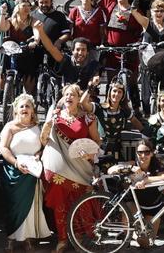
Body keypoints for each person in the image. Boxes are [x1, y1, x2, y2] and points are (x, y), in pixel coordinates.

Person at [40, 84, 101, 252]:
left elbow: (97, 142)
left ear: (78, 98)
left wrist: (89, 155)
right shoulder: (55, 117)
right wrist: (47, 125)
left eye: (72, 94)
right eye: (66, 94)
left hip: (81, 169)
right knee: (61, 204)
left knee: (81, 203)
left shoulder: (89, 118)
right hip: (59, 172)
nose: (68, 97)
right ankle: (62, 239)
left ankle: (80, 237)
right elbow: (44, 141)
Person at [0, 94, 52, 251]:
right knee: (13, 206)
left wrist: (38, 156)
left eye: (27, 106)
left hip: (32, 172)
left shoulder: (37, 127)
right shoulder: (9, 127)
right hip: (13, 170)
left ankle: (28, 238)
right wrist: (16, 163)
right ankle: (11, 238)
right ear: (16, 110)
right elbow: (3, 148)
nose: (24, 109)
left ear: (33, 111)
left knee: (31, 207)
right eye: (21, 106)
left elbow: (43, 147)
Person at [106, 136, 164, 247]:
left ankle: (133, 234)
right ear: (136, 153)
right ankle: (128, 234)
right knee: (129, 212)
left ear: (152, 153)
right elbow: (110, 170)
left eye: (146, 152)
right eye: (140, 152)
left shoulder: (156, 164)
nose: (143, 156)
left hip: (152, 204)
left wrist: (145, 180)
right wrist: (124, 169)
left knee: (146, 244)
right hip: (134, 202)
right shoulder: (133, 164)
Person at [0, 0, 43, 98]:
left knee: (29, 72)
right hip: (13, 50)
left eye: (28, 6)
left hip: (27, 48)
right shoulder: (12, 20)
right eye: (24, 6)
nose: (27, 8)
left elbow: (36, 32)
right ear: (18, 7)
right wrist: (3, 13)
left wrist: (35, 41)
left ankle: (30, 98)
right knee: (5, 63)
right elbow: (1, 28)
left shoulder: (32, 20)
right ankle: (2, 97)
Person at [86, 80, 142, 160]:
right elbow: (83, 103)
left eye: (120, 92)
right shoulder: (99, 108)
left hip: (117, 148)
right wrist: (90, 88)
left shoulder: (124, 110)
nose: (116, 94)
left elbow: (136, 122)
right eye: (114, 91)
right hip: (101, 147)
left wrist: (145, 136)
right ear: (109, 93)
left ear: (123, 95)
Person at [34, 30, 99, 91]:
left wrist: (93, 82)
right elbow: (51, 48)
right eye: (78, 49)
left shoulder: (94, 64)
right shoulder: (66, 60)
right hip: (68, 96)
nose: (80, 53)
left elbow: (95, 77)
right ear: (72, 51)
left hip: (86, 97)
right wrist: (41, 31)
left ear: (87, 52)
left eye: (83, 50)